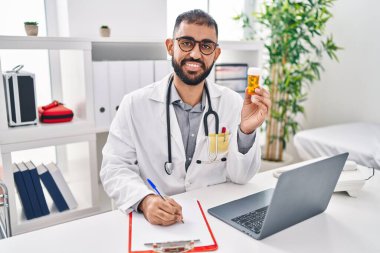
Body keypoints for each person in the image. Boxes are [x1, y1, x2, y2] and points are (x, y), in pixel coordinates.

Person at [100, 9, 271, 226]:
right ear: (170, 46)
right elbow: (114, 168)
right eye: (186, 43)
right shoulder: (134, 104)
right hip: (157, 224)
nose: (196, 55)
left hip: (214, 218)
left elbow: (241, 177)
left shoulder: (232, 103)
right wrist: (145, 200)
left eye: (206, 46)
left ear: (216, 54)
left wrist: (246, 131)